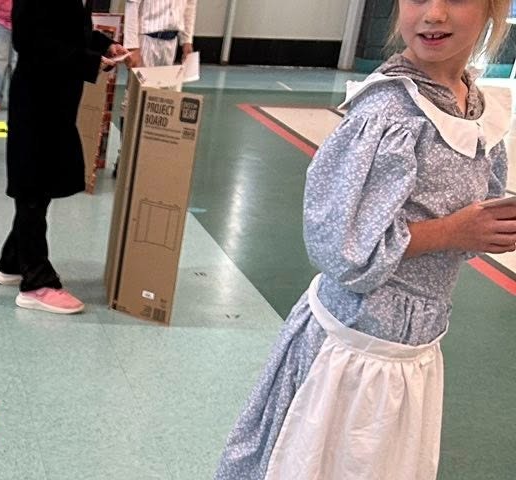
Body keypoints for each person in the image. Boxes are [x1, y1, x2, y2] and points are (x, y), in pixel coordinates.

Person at [216, 0, 516, 477]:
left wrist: (487, 228)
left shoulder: (474, 106)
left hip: (415, 347)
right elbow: (340, 245)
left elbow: (476, 216)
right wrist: (454, 231)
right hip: (354, 348)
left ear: (491, 10)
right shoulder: (388, 111)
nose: (432, 14)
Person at [0, 0, 124, 314]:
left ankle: (13, 262)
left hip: (55, 100)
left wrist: (105, 46)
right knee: (33, 187)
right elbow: (32, 42)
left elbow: (65, 31)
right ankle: (37, 283)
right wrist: (90, 62)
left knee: (42, 183)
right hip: (38, 100)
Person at [124, 0, 198, 68]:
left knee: (166, 81)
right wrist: (132, 47)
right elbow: (132, 5)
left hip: (171, 41)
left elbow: (189, 6)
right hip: (146, 40)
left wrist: (187, 40)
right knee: (140, 81)